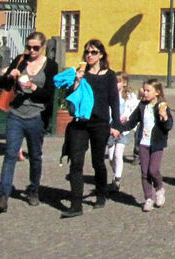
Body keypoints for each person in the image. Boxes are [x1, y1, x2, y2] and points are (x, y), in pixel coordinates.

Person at [0, 32, 59, 213]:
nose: (31, 51)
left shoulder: (51, 65)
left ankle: (33, 189)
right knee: (10, 155)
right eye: (28, 47)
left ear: (42, 47)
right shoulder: (20, 60)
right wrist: (10, 76)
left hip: (36, 116)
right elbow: (2, 84)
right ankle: (3, 195)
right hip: (16, 114)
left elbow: (49, 94)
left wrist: (33, 87)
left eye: (35, 48)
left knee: (36, 156)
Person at [62, 39, 121, 218]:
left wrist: (116, 124)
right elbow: (69, 97)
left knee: (97, 162)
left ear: (101, 55)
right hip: (80, 123)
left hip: (100, 123)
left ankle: (101, 193)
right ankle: (76, 204)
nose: (89, 55)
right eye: (87, 52)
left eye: (94, 52)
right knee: (76, 163)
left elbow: (114, 100)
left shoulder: (109, 75)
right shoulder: (81, 74)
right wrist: (76, 81)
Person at [120, 78, 173, 212]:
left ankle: (159, 189)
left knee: (153, 170)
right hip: (143, 142)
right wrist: (119, 128)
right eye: (144, 89)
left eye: (148, 90)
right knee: (144, 173)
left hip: (156, 143)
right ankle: (148, 198)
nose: (145, 92)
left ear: (157, 92)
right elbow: (132, 121)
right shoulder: (142, 106)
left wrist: (165, 117)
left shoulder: (162, 106)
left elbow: (169, 126)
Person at [105, 71, 139, 192]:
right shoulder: (108, 95)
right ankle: (115, 174)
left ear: (124, 83)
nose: (115, 84)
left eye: (118, 82)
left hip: (123, 129)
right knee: (110, 157)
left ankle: (117, 179)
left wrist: (127, 117)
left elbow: (135, 110)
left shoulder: (129, 96)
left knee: (118, 154)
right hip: (110, 128)